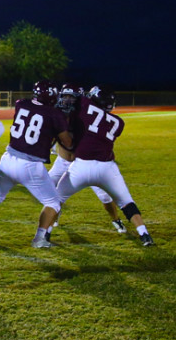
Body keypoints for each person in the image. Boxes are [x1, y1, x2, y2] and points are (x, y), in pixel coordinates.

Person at [0, 80, 70, 247]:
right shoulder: (55, 114)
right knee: (53, 203)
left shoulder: (21, 104)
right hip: (30, 165)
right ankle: (39, 239)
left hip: (8, 158)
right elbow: (67, 142)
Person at [54, 86, 154, 246]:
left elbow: (76, 101)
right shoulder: (119, 123)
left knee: (56, 198)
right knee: (126, 202)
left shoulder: (85, 108)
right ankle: (145, 234)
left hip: (81, 166)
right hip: (107, 168)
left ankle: (44, 233)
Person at [49, 82, 127, 234]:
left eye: (71, 97)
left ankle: (116, 219)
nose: (67, 100)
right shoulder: (56, 113)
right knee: (51, 191)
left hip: (84, 162)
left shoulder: (85, 114)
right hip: (63, 161)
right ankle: (52, 219)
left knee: (105, 195)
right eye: (64, 96)